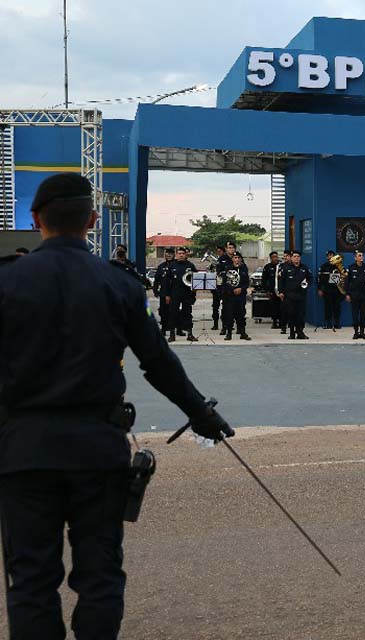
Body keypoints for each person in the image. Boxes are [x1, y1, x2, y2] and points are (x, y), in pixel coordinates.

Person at [0, 173, 233, 640]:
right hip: (97, 451)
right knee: (100, 575)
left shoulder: (8, 280)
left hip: (23, 452)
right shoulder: (118, 285)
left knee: (30, 581)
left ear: (34, 219)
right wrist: (201, 414)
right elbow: (158, 363)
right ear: (91, 219)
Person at [163, 247, 199, 343]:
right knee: (173, 314)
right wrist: (167, 295)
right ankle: (172, 335)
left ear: (186, 255)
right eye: (179, 253)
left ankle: (190, 334)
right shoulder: (172, 265)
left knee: (187, 314)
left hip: (187, 293)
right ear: (176, 254)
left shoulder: (190, 265)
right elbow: (166, 281)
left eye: (183, 253)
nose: (181, 255)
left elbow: (197, 278)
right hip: (174, 294)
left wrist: (194, 291)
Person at [278, 250, 310, 340]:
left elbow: (310, 278)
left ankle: (300, 332)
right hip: (290, 295)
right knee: (291, 314)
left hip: (301, 295)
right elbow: (281, 281)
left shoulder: (304, 268)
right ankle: (292, 333)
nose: (296, 258)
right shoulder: (285, 268)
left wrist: (306, 283)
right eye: (294, 256)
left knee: (301, 315)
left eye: (298, 256)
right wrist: (281, 292)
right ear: (291, 258)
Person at [221, 253, 251, 341]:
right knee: (230, 315)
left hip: (241, 296)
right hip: (230, 296)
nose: (237, 259)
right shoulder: (228, 268)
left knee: (241, 314)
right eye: (235, 258)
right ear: (232, 259)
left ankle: (243, 333)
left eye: (238, 258)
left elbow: (246, 282)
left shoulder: (244, 268)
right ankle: (229, 333)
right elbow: (225, 282)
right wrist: (232, 290)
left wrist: (241, 289)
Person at [345, 251, 365, 340]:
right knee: (355, 313)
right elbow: (347, 282)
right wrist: (347, 294)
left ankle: (362, 332)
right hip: (354, 295)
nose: (362, 257)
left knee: (363, 314)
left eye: (362, 255)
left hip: (364, 294)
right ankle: (356, 332)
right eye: (359, 255)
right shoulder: (350, 268)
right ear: (355, 258)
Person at [317, 250, 345, 330]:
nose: (330, 256)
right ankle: (328, 323)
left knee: (337, 307)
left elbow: (344, 276)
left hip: (337, 290)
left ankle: (337, 323)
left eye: (331, 255)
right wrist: (319, 289)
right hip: (327, 290)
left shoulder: (339, 265)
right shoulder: (323, 266)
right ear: (327, 257)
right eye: (328, 255)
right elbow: (319, 279)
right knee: (327, 307)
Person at [153, 248, 176, 336]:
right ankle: (163, 328)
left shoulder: (176, 265)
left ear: (174, 255)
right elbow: (156, 280)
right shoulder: (161, 266)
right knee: (163, 311)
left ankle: (177, 329)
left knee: (174, 311)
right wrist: (155, 291)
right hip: (163, 292)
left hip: (175, 293)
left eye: (170, 254)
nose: (168, 255)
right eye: (167, 254)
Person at [262, 251, 281, 329]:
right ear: (270, 258)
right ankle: (274, 322)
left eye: (276, 256)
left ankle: (282, 322)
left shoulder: (281, 266)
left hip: (280, 290)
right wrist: (267, 290)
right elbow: (264, 280)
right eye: (273, 257)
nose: (275, 258)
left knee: (281, 307)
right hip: (272, 290)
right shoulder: (267, 267)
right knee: (274, 307)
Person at [276, 250, 294, 334]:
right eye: (285, 256)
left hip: (294, 292)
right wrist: (280, 292)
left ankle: (292, 326)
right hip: (285, 292)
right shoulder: (282, 266)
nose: (285, 257)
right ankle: (283, 327)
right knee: (284, 310)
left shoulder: (296, 265)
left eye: (287, 256)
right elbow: (280, 280)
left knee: (293, 310)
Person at [210, 246, 226, 331]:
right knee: (215, 306)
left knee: (226, 306)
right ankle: (215, 324)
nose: (218, 253)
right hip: (216, 286)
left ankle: (226, 324)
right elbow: (211, 271)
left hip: (223, 286)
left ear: (223, 251)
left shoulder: (226, 260)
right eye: (217, 251)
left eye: (220, 251)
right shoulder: (216, 261)